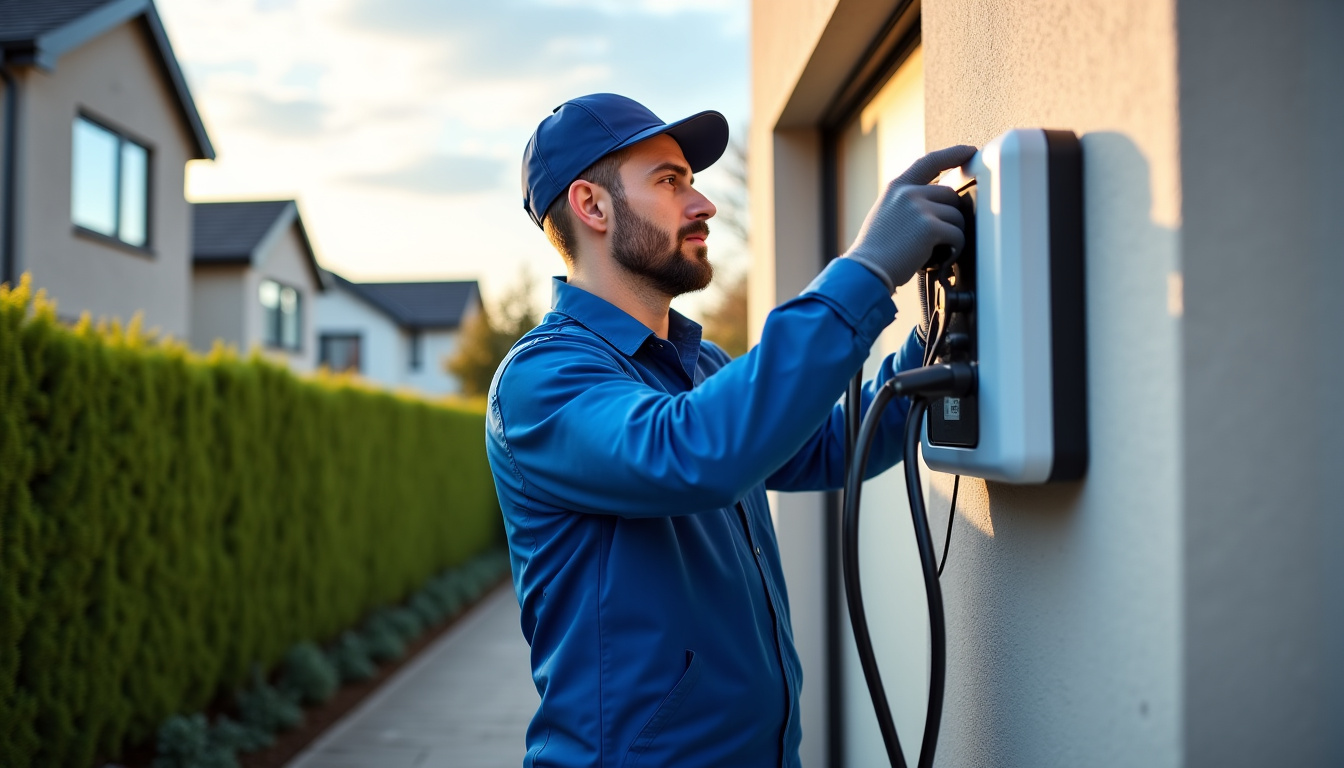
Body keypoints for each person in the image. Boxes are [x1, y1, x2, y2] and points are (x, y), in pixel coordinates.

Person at [487, 93, 973, 768]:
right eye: (669, 181)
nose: (703, 204)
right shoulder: (541, 380)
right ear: (592, 206)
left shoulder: (697, 366)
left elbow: (828, 446)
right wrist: (865, 271)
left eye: (693, 181)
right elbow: (692, 451)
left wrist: (935, 338)